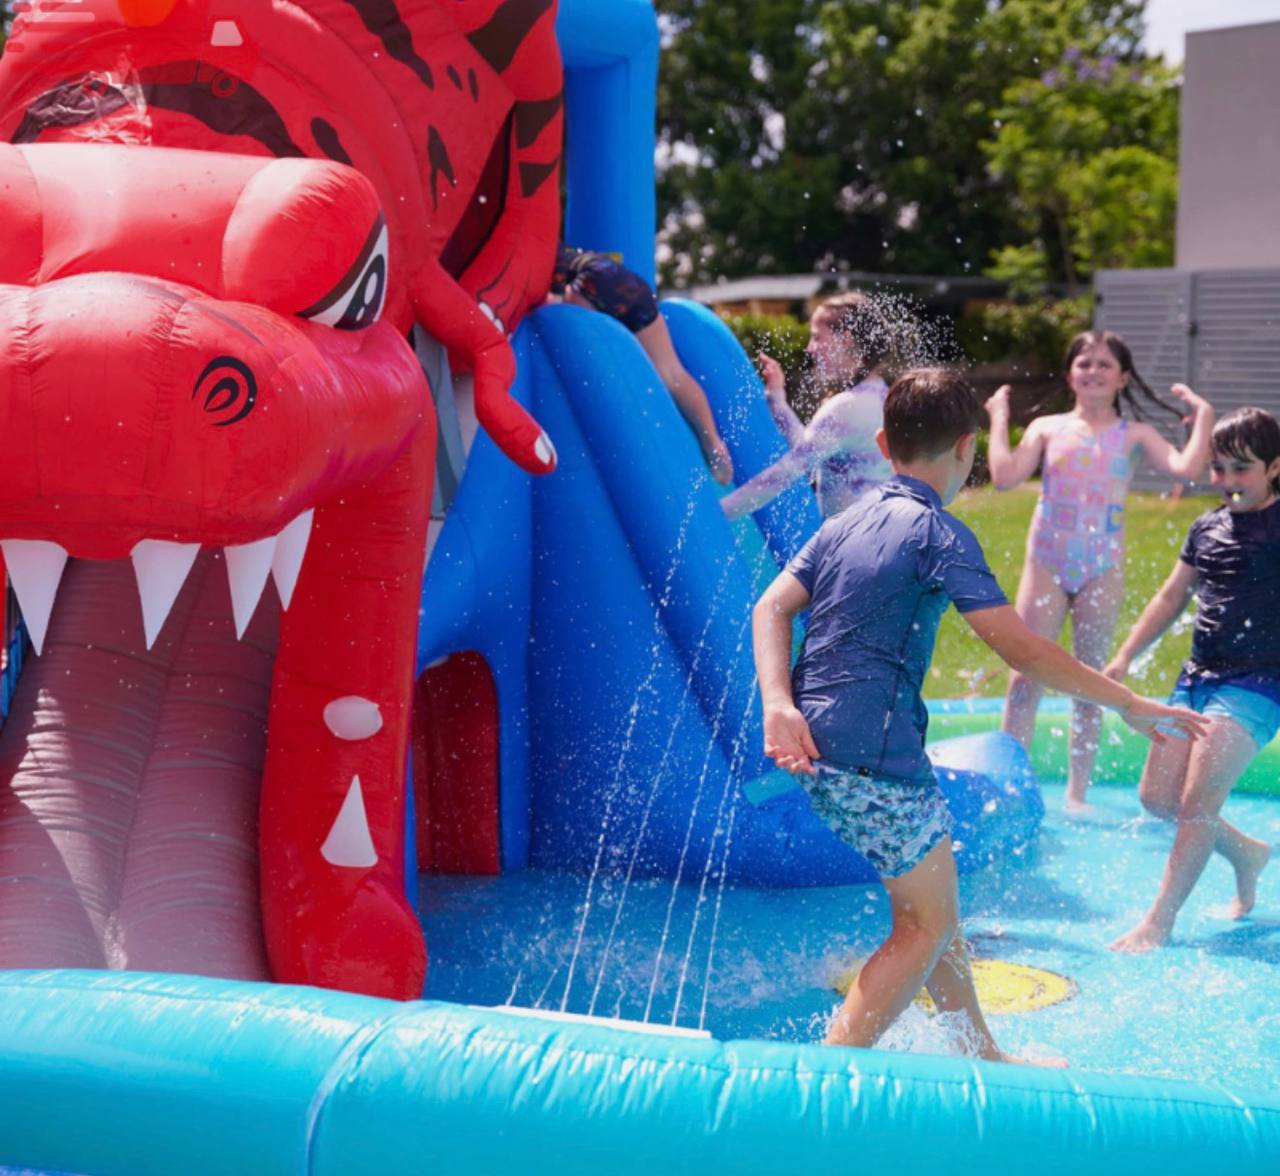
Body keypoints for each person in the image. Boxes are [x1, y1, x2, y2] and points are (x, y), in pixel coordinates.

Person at [752, 367, 1206, 1062]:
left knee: (936, 911)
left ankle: (977, 1048)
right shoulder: (939, 533)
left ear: (883, 441)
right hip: (873, 756)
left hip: (817, 737)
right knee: (921, 928)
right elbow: (1023, 650)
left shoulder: (844, 523)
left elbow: (770, 606)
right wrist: (1129, 703)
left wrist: (778, 704)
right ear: (967, 449)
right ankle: (820, 1080)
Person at [986, 329, 1214, 811]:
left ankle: (1077, 795)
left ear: (1122, 377)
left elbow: (1187, 467)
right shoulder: (1048, 428)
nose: (1093, 371)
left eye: (1104, 364)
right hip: (1047, 560)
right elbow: (1005, 477)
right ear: (1070, 374)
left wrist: (1205, 417)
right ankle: (1013, 790)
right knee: (1025, 674)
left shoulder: (1134, 435)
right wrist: (999, 416)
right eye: (1084, 363)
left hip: (1101, 566)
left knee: (1091, 679)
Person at [1106, 407, 1280, 953]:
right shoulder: (1206, 527)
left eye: (1241, 469)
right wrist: (1126, 656)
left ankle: (1159, 921)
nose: (1226, 481)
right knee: (1158, 799)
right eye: (1218, 468)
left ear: (1275, 467)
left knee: (1198, 804)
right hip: (1197, 679)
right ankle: (1247, 853)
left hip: (1257, 683)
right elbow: (1170, 597)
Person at [550, 243, 733, 484]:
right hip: (626, 283)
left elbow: (546, 304)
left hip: (589, 283)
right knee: (672, 372)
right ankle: (713, 442)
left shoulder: (537, 255)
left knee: (580, 349)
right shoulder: (572, 251)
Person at [720, 291, 894, 521]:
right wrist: (778, 401)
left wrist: (720, 511)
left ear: (846, 339)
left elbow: (787, 471)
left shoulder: (847, 408)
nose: (811, 348)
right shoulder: (883, 397)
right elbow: (811, 451)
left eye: (818, 337)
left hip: (856, 547)